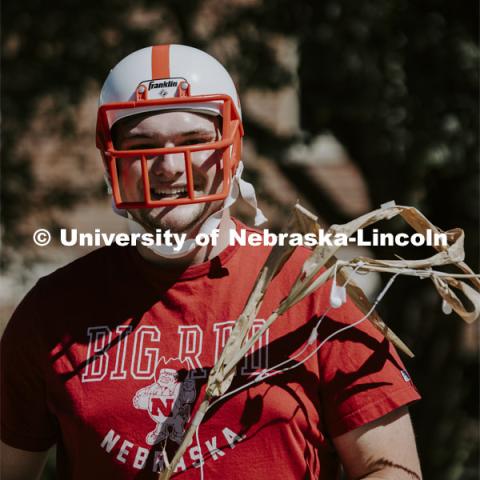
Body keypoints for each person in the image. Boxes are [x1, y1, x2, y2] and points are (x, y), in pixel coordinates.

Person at [1, 44, 422, 479]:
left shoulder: (310, 286)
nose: (168, 165)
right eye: (143, 145)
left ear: (231, 148)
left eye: (194, 141)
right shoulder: (52, 312)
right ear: (112, 161)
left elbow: (391, 468)